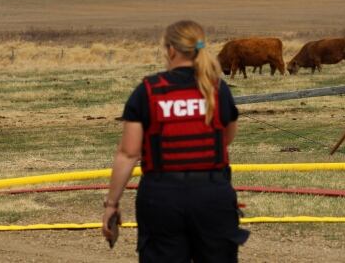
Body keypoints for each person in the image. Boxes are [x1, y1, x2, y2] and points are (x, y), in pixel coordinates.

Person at [102, 20, 249, 262]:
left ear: (171, 50)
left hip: (162, 199)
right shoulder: (217, 89)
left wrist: (111, 205)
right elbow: (226, 139)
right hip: (213, 197)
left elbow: (128, 154)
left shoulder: (148, 91)